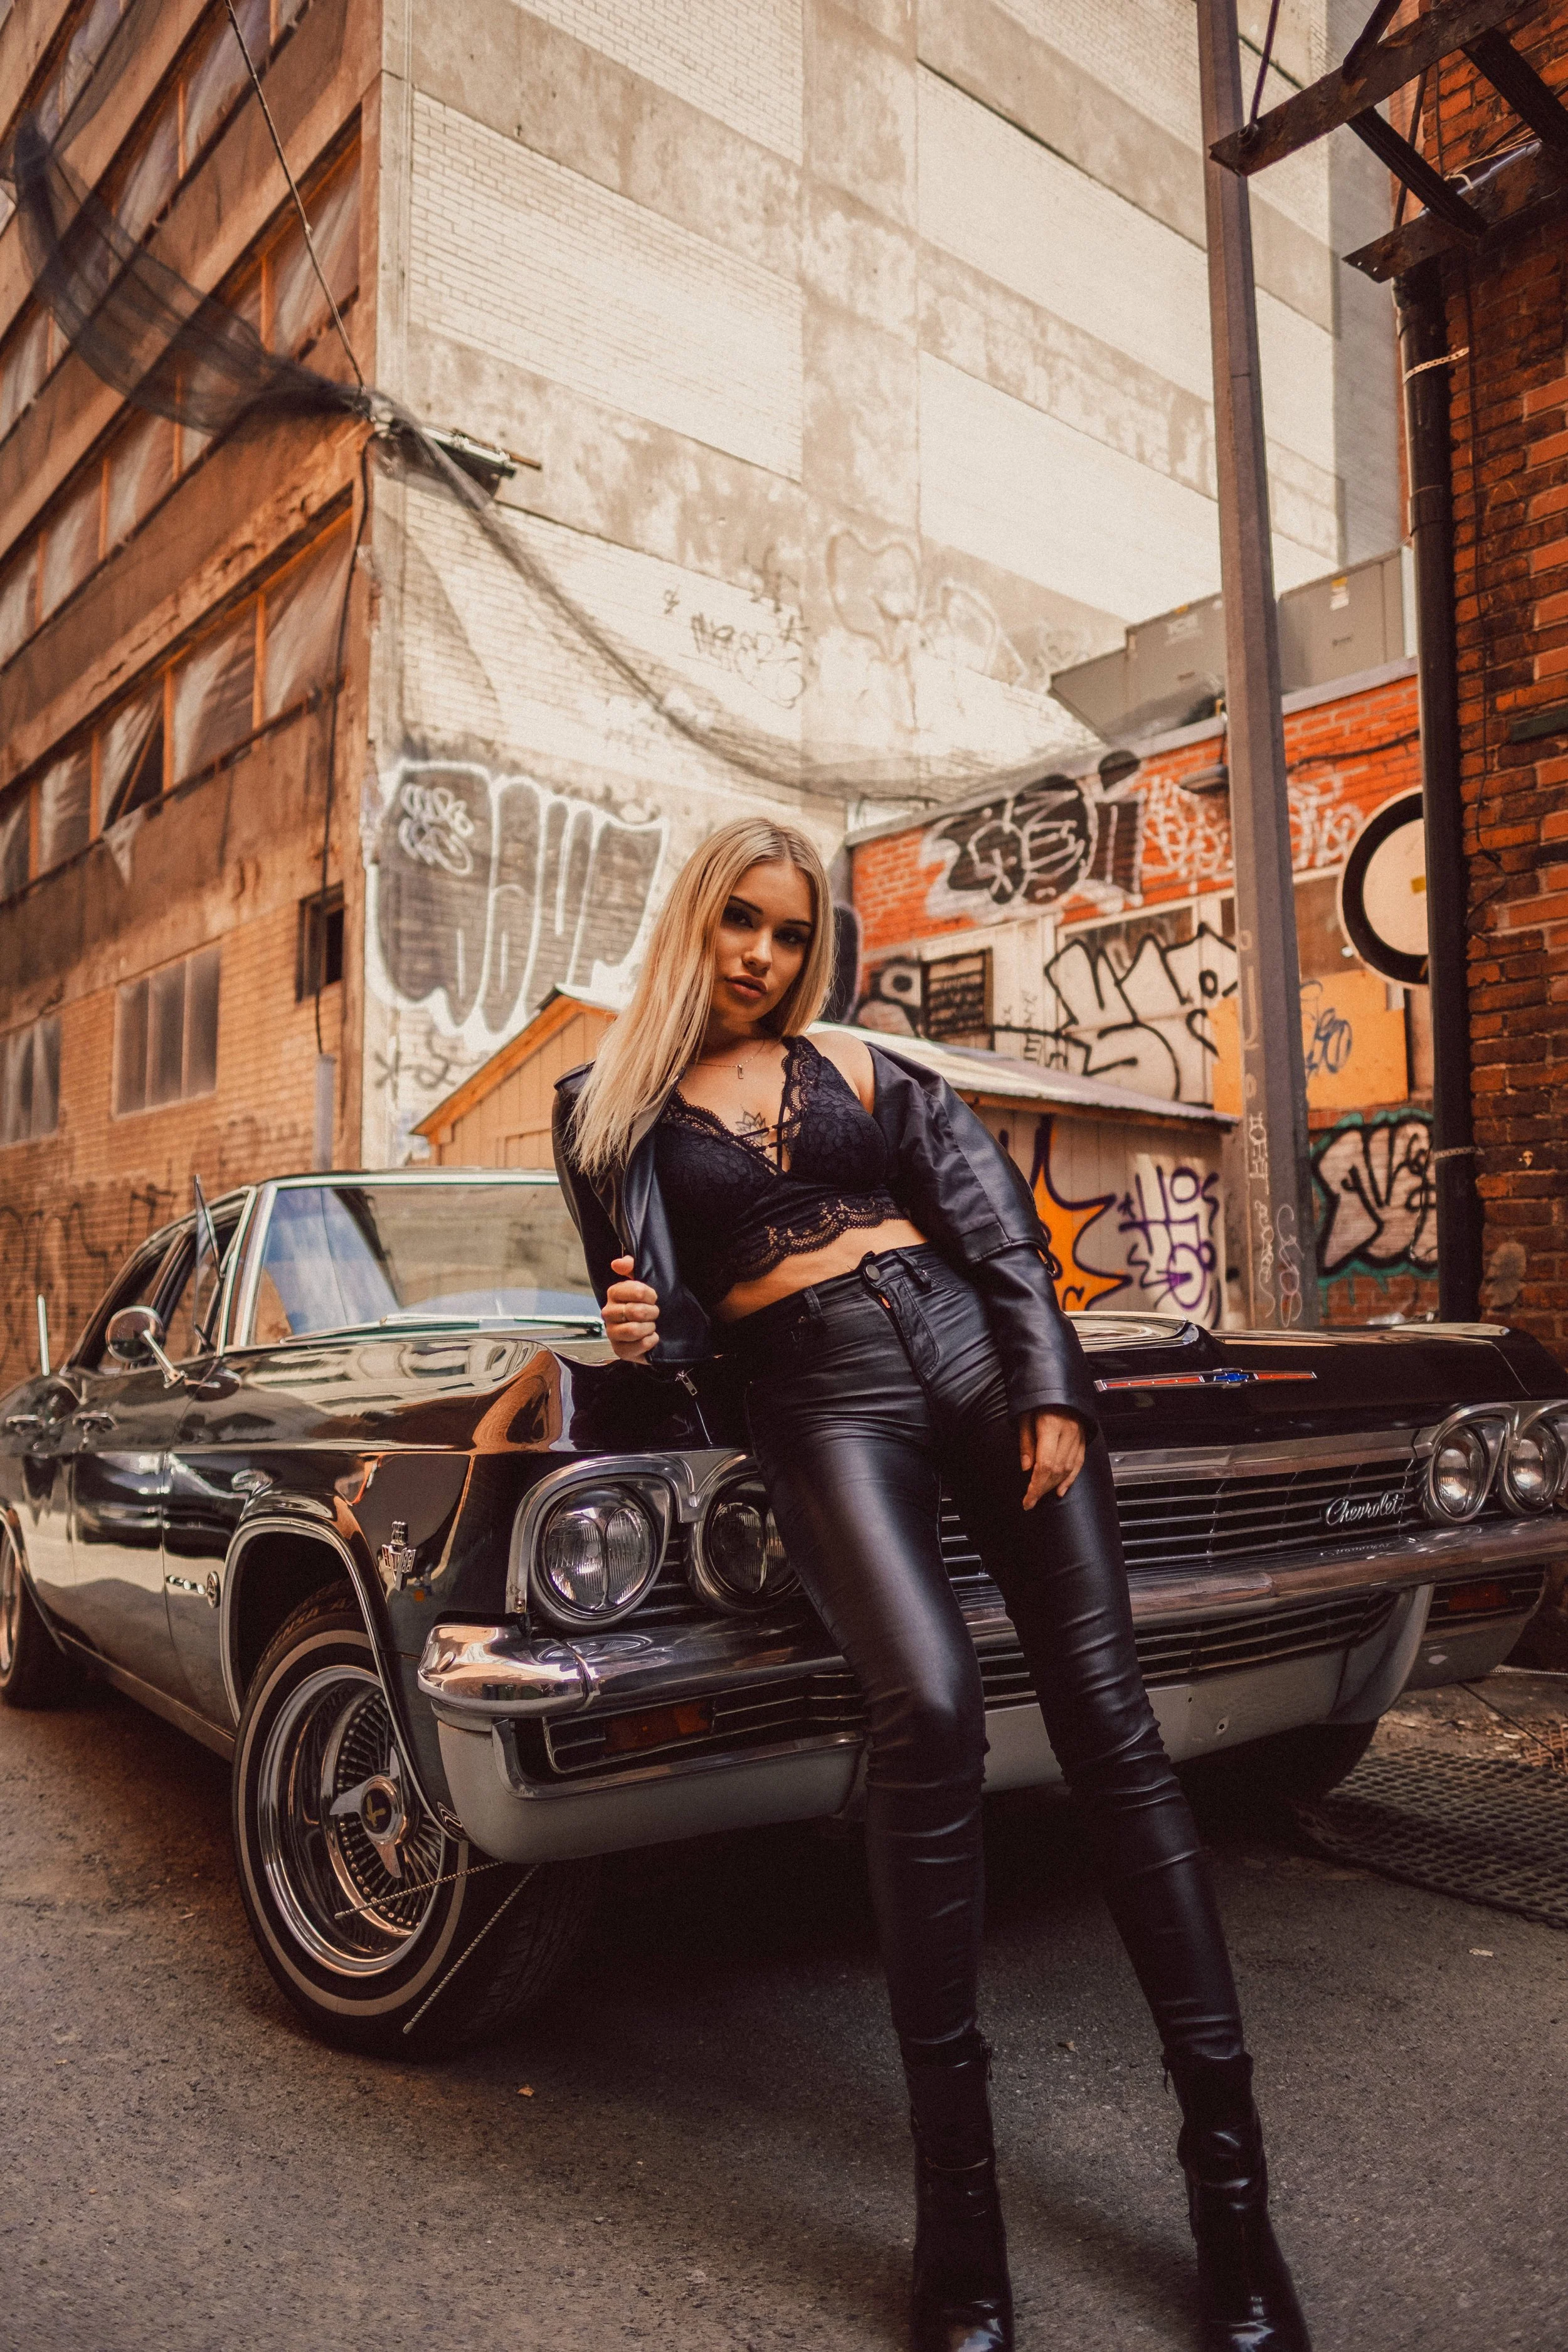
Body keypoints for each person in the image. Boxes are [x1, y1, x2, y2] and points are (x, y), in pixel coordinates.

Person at [553, 817, 1309, 2352]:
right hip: (816, 1400)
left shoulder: (865, 1066)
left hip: (975, 1357)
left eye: (788, 932)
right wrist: (645, 1337)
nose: (760, 955)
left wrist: (1049, 1387)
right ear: (693, 919)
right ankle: (957, 2224)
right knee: (928, 1708)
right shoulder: (603, 1108)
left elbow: (999, 1236)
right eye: (738, 921)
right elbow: (676, 1342)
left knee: (1112, 1734)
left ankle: (1233, 2209)